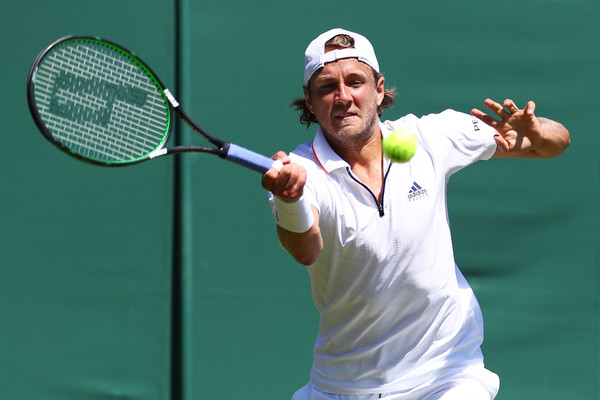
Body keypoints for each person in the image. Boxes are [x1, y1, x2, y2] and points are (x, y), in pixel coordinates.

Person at [261, 28, 570, 400]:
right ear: (310, 102)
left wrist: (536, 131)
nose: (343, 97)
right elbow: (305, 250)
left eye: (355, 82)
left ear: (379, 89)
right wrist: (291, 199)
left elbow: (553, 144)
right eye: (327, 88)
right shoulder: (300, 171)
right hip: (343, 386)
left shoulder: (430, 136)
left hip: (448, 374)